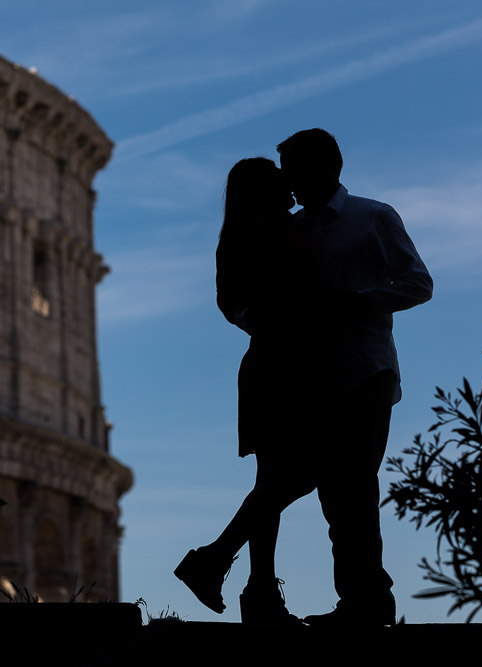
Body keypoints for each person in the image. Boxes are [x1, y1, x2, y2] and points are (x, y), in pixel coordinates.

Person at [176, 131, 433, 627]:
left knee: (340, 482)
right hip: (301, 371)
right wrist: (265, 320)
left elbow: (418, 283)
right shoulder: (287, 226)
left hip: (363, 367)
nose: (287, 180)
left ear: (326, 166)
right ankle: (349, 600)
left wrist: (360, 301)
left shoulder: (371, 216)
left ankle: (334, 595)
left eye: (291, 169)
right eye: (280, 173)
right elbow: (243, 298)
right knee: (331, 488)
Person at [175, 156, 318, 625]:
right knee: (295, 476)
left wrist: (253, 317)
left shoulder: (234, 238)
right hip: (289, 365)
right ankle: (219, 562)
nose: (292, 188)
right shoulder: (285, 230)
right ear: (267, 190)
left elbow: (228, 302)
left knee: (272, 480)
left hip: (266, 363)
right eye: (282, 182)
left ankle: (254, 589)